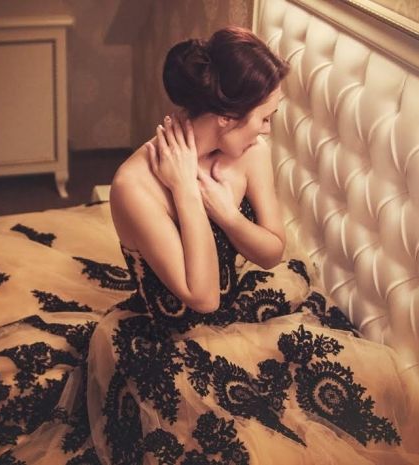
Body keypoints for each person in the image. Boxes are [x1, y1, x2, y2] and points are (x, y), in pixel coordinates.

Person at [85, 26, 419, 465]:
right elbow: (203, 297)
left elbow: (272, 251)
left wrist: (227, 215)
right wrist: (186, 191)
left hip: (241, 311)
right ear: (226, 117)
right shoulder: (134, 185)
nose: (265, 130)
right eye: (264, 117)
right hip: (170, 337)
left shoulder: (251, 152)